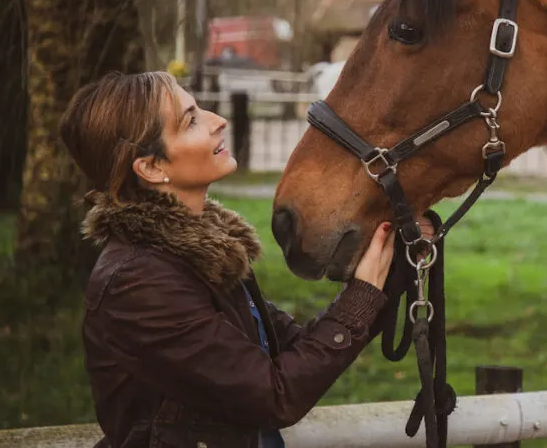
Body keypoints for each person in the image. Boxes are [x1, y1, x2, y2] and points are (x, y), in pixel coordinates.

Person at [59, 71, 431, 448]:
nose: (217, 120)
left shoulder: (196, 256)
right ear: (152, 167)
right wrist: (361, 297)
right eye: (190, 121)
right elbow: (274, 394)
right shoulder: (140, 283)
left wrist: (394, 258)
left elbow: (299, 351)